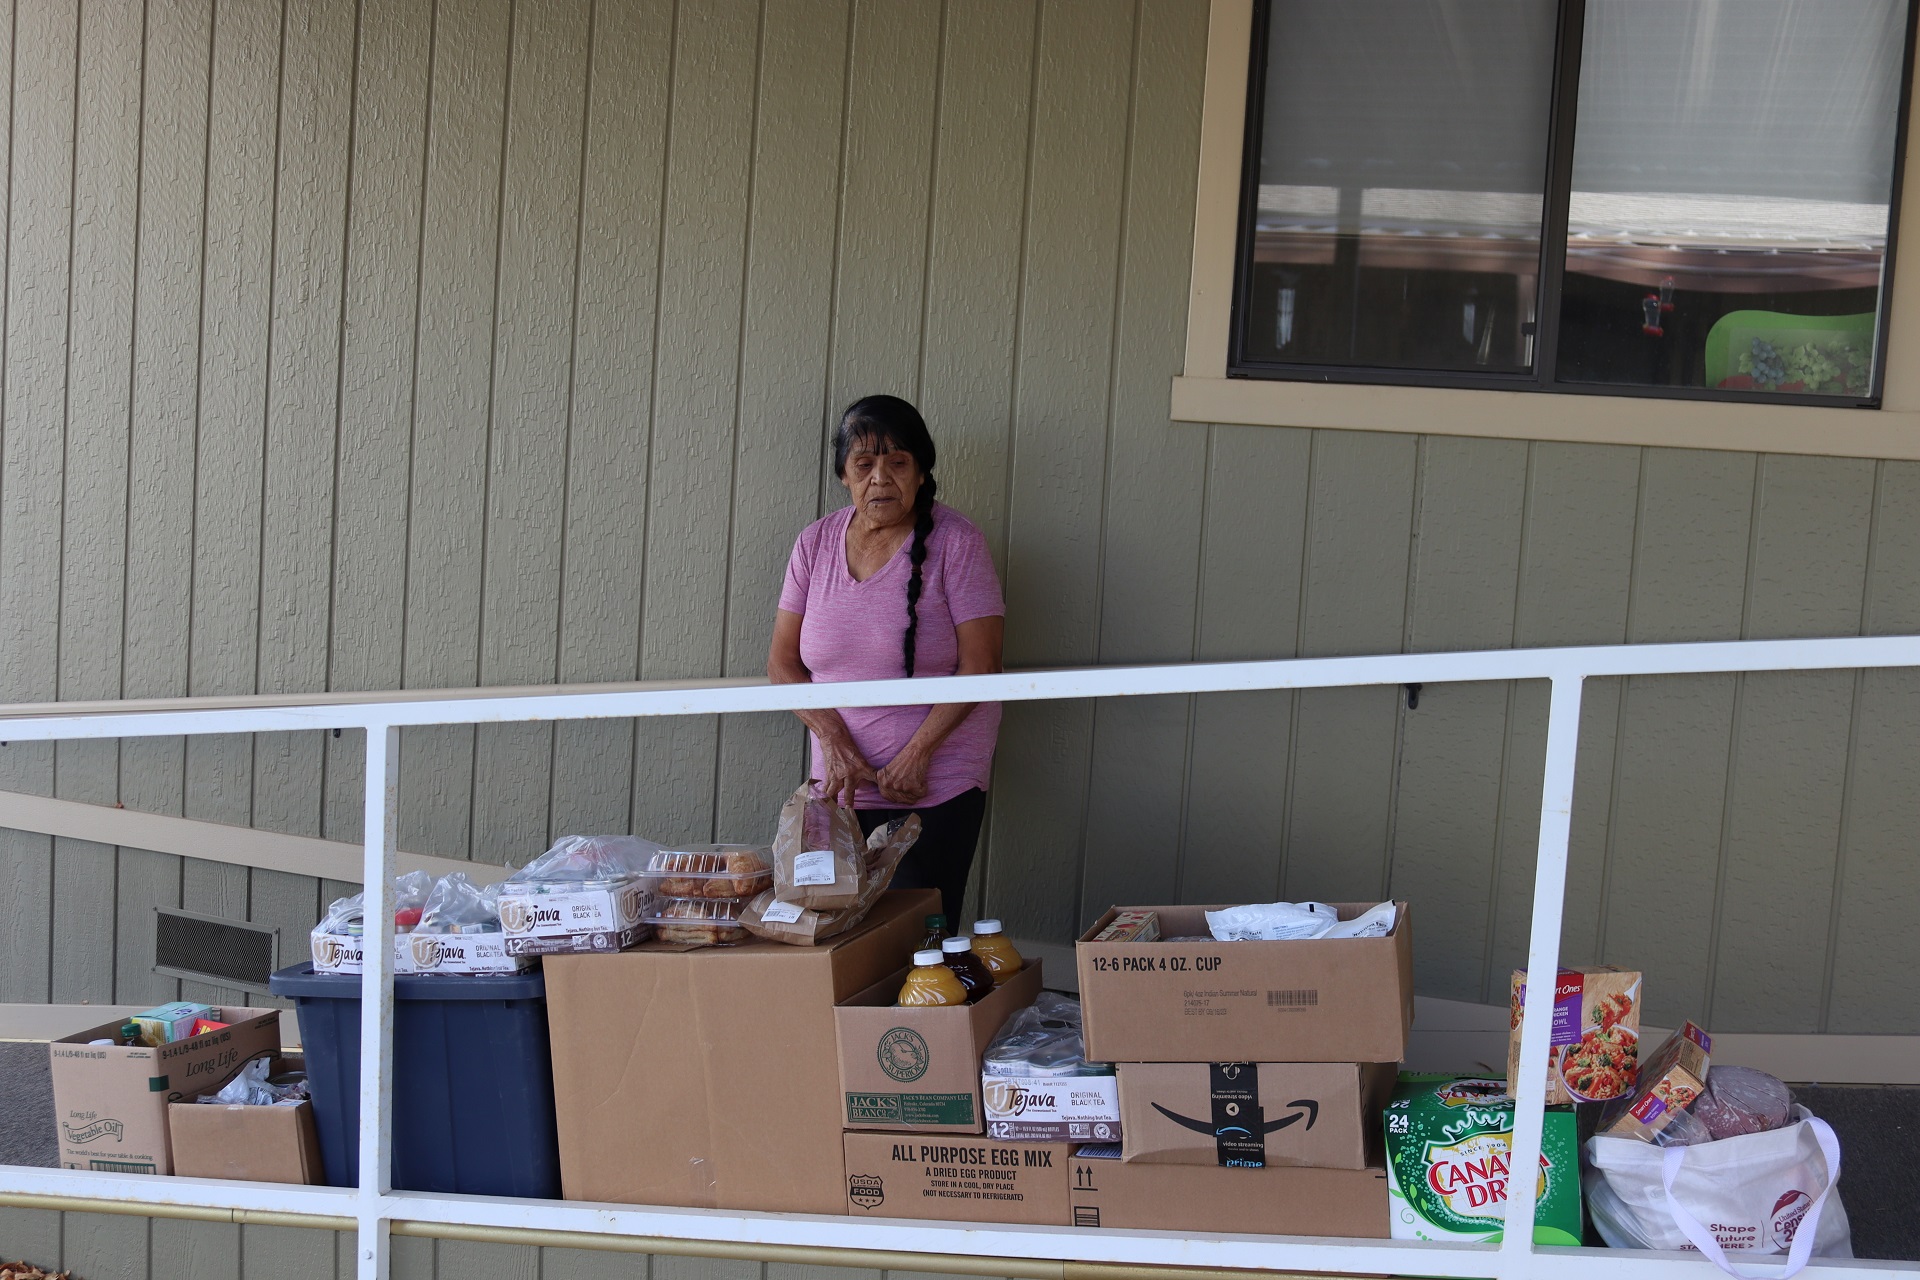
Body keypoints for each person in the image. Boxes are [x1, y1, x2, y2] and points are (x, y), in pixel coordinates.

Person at [768, 395, 1005, 927]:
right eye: (864, 464)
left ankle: (915, 1016)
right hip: (842, 783)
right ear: (844, 477)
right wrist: (834, 743)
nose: (881, 478)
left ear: (921, 473)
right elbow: (783, 665)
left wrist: (916, 755)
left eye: (897, 462)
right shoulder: (814, 545)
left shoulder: (958, 544)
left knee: (916, 937)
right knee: (835, 930)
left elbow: (982, 666)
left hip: (933, 782)